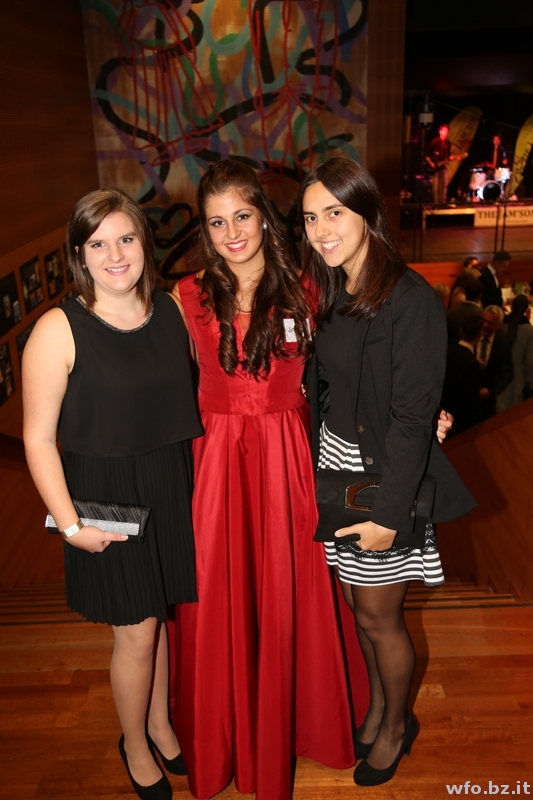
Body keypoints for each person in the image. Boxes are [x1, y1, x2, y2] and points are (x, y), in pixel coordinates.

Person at [169, 160, 359, 800]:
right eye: (216, 222)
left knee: (287, 591)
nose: (231, 233)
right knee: (220, 593)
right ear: (204, 229)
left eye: (242, 216)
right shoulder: (186, 296)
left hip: (287, 460)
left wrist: (422, 409)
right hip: (217, 465)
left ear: (264, 216)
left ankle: (297, 724)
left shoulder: (309, 286)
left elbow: (349, 370)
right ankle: (224, 736)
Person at [298, 156, 476, 787]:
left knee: (379, 616)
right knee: (356, 606)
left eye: (334, 212)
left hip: (383, 481)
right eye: (310, 218)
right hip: (337, 465)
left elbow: (409, 417)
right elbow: (331, 384)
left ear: (367, 211)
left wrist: (388, 515)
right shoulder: (332, 289)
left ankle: (397, 727)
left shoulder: (409, 299)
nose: (321, 229)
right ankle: (379, 707)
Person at [22, 189, 203, 800]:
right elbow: (37, 439)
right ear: (79, 255)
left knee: (160, 616)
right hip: (107, 495)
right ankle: (134, 743)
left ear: (143, 243)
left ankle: (160, 724)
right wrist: (71, 524)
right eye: (97, 244)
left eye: (125, 238)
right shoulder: (58, 328)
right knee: (137, 630)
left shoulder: (171, 310)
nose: (115, 255)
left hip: (167, 479)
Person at [441, 310, 484, 435]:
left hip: (439, 414)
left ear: (461, 331)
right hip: (458, 425)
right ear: (479, 335)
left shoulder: (446, 351)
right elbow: (470, 404)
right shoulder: (472, 364)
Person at [496, 294, 533, 411]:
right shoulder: (529, 330)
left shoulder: (501, 325)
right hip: (519, 375)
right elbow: (530, 360)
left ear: (512, 306)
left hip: (500, 374)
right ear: (526, 309)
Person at [477, 305, 514, 419]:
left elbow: (507, 374)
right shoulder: (471, 334)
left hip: (486, 403)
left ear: (499, 325)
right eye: (484, 321)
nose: (485, 325)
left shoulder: (502, 344)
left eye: (490, 323)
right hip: (464, 398)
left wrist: (491, 392)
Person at [426, 123, 456, 204]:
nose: (446, 133)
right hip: (435, 167)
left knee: (444, 185)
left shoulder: (448, 143)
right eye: (444, 131)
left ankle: (443, 203)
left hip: (443, 166)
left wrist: (456, 157)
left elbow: (448, 156)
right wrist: (431, 163)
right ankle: (436, 203)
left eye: (447, 131)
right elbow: (427, 154)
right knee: (436, 186)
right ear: (440, 131)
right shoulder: (435, 141)